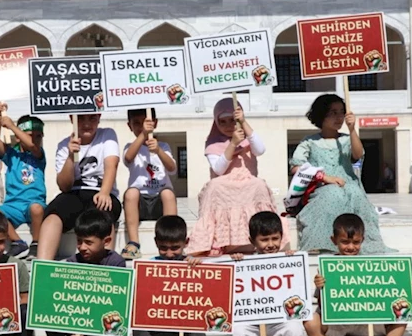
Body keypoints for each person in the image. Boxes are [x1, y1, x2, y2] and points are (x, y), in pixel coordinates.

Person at [305, 214, 412, 336]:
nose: (351, 247)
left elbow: (393, 293)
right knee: (310, 321)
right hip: (339, 323)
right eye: (345, 242)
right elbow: (324, 306)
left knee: (404, 312)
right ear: (333, 240)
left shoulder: (374, 266)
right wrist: (320, 287)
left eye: (356, 242)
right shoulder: (327, 268)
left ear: (363, 240)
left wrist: (410, 287)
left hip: (369, 321)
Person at [290, 94, 394, 254]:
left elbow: (358, 154)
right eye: (333, 112)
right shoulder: (309, 142)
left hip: (349, 184)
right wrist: (324, 178)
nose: (339, 117)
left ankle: (361, 244)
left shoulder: (347, 139)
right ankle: (323, 243)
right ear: (321, 114)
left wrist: (352, 129)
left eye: (341, 112)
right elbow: (296, 167)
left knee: (355, 194)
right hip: (320, 187)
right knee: (332, 195)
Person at [188, 99, 287, 256]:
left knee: (259, 185)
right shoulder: (212, 143)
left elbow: (260, 150)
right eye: (223, 121)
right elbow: (219, 169)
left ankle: (262, 234)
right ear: (216, 122)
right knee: (214, 187)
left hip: (248, 181)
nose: (228, 125)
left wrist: (244, 123)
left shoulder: (248, 138)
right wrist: (233, 143)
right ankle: (221, 244)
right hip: (224, 185)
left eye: (232, 121)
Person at [44, 210, 129, 336]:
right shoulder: (71, 264)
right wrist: (74, 327)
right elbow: (66, 303)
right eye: (79, 241)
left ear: (106, 241)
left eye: (89, 242)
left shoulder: (116, 263)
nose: (82, 247)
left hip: (104, 327)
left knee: (113, 313)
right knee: (46, 312)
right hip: (76, 324)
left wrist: (87, 322)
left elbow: (114, 300)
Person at [229, 211, 305, 336]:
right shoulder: (244, 262)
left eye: (275, 238)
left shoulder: (288, 259)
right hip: (253, 322)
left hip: (279, 321)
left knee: (295, 329)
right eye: (264, 240)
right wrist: (236, 262)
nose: (270, 244)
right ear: (252, 241)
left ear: (282, 237)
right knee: (236, 332)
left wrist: (294, 263)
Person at [36, 114, 121, 262]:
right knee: (53, 214)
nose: (87, 124)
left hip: (101, 191)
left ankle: (107, 268)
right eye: (81, 119)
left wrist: (105, 192)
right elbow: (64, 185)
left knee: (104, 212)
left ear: (99, 118)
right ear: (72, 119)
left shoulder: (107, 135)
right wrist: (70, 156)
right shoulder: (64, 145)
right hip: (74, 193)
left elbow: (111, 165)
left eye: (92, 118)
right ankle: (42, 266)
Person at [133, 215, 204, 336]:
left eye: (175, 248)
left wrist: (198, 268)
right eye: (163, 248)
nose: (169, 254)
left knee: (200, 310)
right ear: (156, 243)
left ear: (186, 242)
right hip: (156, 323)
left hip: (186, 325)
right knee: (137, 312)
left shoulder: (191, 263)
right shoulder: (150, 266)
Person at [0, 103, 47, 259]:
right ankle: (18, 242)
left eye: (38, 136)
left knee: (36, 209)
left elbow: (32, 146)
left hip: (34, 202)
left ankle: (36, 243)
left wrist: (13, 127)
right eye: (29, 134)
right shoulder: (11, 154)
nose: (34, 139)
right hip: (13, 204)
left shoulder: (38, 153)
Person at [121, 108, 177, 259]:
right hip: (140, 202)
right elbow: (128, 158)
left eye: (145, 123)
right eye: (137, 123)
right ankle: (133, 243)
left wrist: (158, 151)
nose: (141, 126)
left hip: (159, 200)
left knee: (168, 193)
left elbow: (172, 168)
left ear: (155, 123)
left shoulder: (163, 146)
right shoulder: (130, 146)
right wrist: (143, 135)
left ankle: (171, 239)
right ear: (129, 126)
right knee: (131, 193)